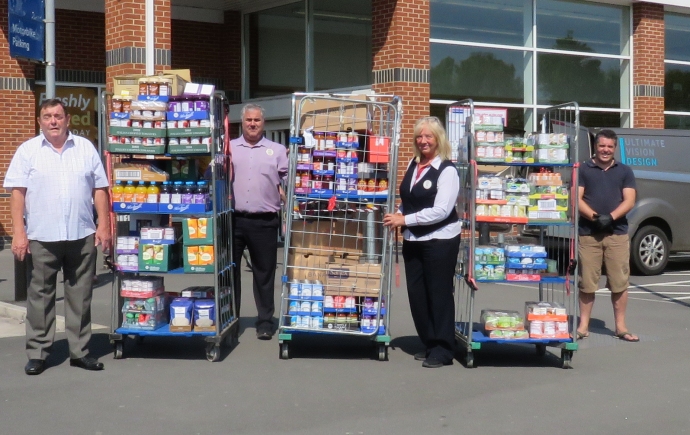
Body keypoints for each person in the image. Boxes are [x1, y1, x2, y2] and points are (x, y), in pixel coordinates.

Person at [4, 99, 112, 375]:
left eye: (58, 116)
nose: (53, 121)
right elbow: (18, 193)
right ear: (40, 121)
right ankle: (38, 353)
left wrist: (104, 226)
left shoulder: (85, 148)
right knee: (40, 297)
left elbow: (100, 189)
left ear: (67, 120)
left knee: (80, 296)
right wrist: (19, 233)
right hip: (42, 236)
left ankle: (80, 351)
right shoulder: (28, 151)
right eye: (48, 116)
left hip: (81, 234)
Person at [383, 116, 461, 368]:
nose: (423, 140)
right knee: (417, 294)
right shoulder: (413, 164)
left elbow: (441, 211)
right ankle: (429, 343)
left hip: (440, 240)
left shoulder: (447, 170)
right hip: (413, 239)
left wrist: (404, 219)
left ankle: (444, 349)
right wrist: (397, 213)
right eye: (419, 136)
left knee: (438, 294)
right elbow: (407, 197)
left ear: (439, 139)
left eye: (428, 136)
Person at [231, 103, 288, 340]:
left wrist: (287, 205)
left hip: (265, 221)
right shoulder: (229, 148)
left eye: (257, 120)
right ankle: (230, 319)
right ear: (242, 122)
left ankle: (265, 321)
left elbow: (288, 181)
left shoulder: (277, 150)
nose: (252, 124)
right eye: (248, 120)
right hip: (234, 220)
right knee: (230, 272)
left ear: (263, 123)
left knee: (264, 274)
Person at [576, 129, 638, 342]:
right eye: (602, 145)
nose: (605, 150)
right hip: (588, 234)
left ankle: (621, 327)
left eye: (610, 147)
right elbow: (575, 198)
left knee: (619, 282)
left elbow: (629, 200)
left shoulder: (625, 171)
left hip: (617, 234)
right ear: (596, 146)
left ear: (615, 148)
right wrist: (595, 217)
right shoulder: (583, 168)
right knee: (587, 282)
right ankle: (583, 326)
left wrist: (610, 217)